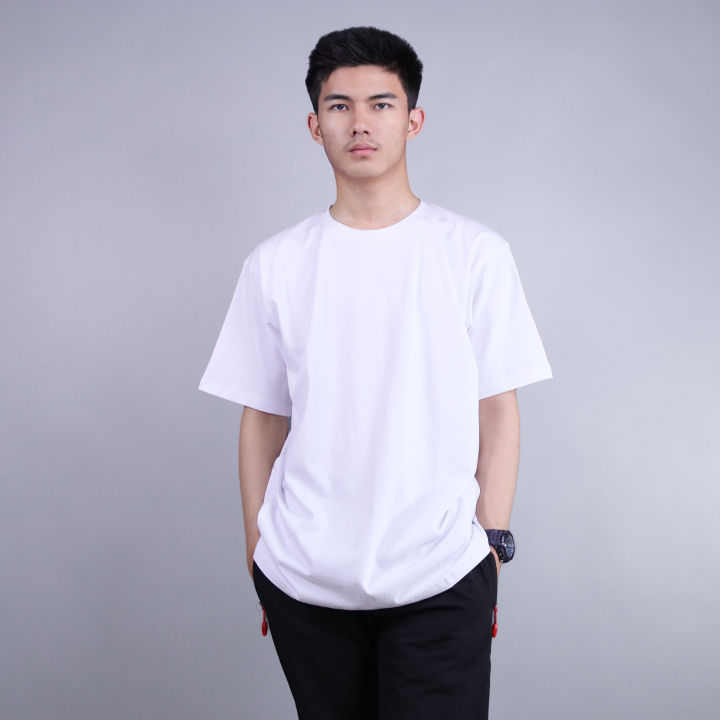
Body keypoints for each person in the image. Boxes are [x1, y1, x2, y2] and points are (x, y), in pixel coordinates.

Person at [198, 25, 553, 720]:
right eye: (340, 106)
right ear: (315, 125)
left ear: (413, 120)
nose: (360, 122)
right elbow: (262, 417)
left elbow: (498, 407)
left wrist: (490, 545)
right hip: (303, 576)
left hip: (442, 569)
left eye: (381, 104)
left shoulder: (473, 253)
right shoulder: (275, 264)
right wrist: (258, 550)